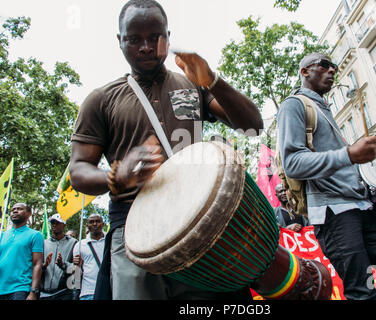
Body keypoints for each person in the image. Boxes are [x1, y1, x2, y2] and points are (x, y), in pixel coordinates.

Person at [69, 0, 262, 300]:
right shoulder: (101, 100)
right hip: (134, 230)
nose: (146, 46)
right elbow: (78, 171)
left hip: (199, 221)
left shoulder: (194, 85)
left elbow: (252, 125)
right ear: (119, 40)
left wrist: (213, 81)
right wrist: (116, 177)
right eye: (134, 39)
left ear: (168, 38)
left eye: (155, 37)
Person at [277, 52, 376, 300]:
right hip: (334, 214)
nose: (332, 70)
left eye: (335, 66)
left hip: (363, 209)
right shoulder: (294, 105)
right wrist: (350, 154)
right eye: (324, 65)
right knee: (363, 292)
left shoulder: (324, 109)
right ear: (305, 72)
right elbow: (293, 163)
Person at [0, 203, 43, 300]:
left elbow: (37, 264)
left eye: (19, 209)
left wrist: (33, 292)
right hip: (1, 288)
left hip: (20, 288)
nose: (15, 211)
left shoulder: (35, 235)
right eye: (13, 209)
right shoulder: (2, 235)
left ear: (29, 214)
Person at [40, 213, 78, 300]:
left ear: (64, 225)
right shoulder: (44, 243)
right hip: (44, 293)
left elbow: (77, 268)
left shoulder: (73, 243)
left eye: (57, 223)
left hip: (64, 292)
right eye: (52, 223)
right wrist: (44, 265)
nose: (54, 225)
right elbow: (37, 266)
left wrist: (63, 264)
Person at [73, 214, 106, 300]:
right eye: (91, 222)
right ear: (87, 225)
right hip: (88, 292)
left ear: (103, 224)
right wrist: (76, 266)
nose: (95, 224)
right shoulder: (79, 245)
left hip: (108, 290)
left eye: (98, 221)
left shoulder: (110, 241)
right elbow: (76, 275)